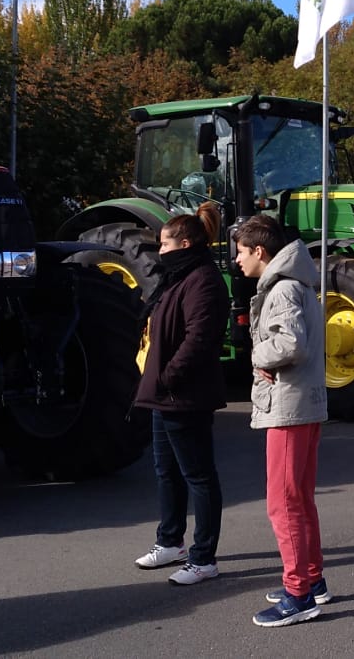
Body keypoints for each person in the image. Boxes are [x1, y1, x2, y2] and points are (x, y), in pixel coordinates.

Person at [234, 215, 330, 628]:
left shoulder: (282, 288)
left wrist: (257, 357)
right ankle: (311, 579)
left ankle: (298, 594)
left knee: (283, 503)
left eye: (240, 252)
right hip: (302, 403)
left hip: (288, 407)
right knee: (300, 498)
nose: (236, 260)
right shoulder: (296, 283)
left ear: (260, 251)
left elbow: (290, 343)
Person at [131, 203, 229, 586]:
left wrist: (168, 377)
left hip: (185, 395)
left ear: (185, 243)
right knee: (165, 471)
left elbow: (200, 339)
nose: (160, 251)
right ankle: (170, 541)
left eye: (165, 244)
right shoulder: (178, 277)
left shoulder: (202, 280)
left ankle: (204, 558)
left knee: (199, 476)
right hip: (163, 394)